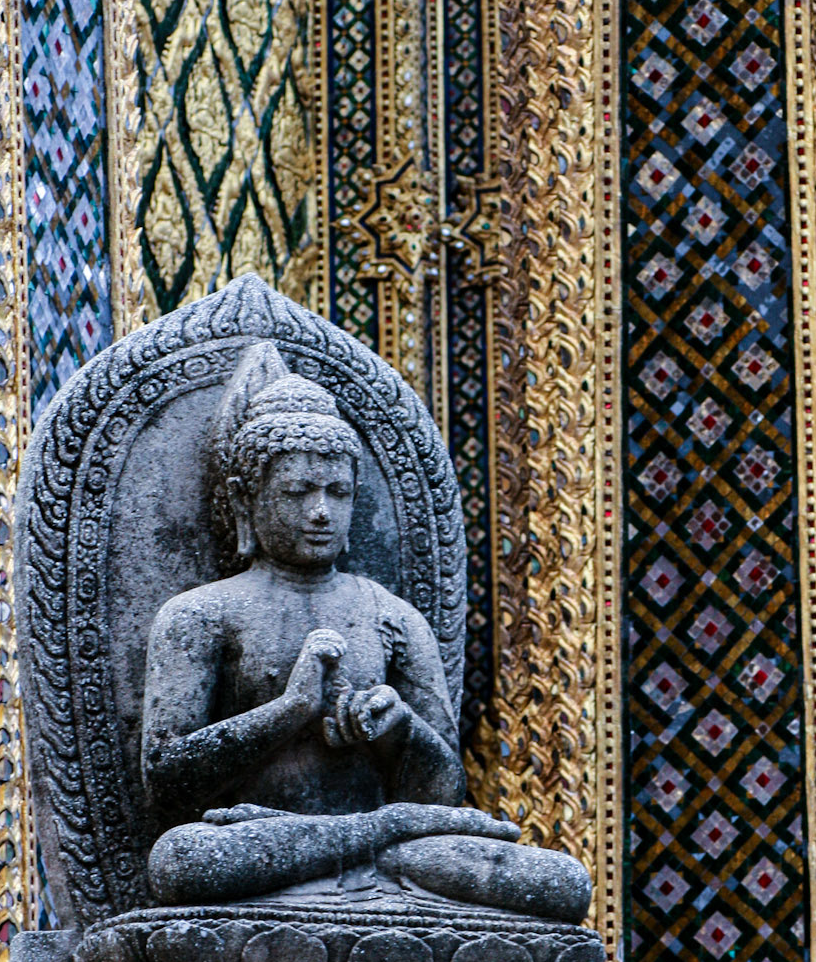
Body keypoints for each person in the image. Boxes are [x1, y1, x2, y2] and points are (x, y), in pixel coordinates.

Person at [140, 345, 590, 922]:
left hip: (393, 856)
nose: (322, 511)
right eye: (299, 492)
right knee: (181, 860)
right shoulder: (200, 614)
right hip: (259, 847)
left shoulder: (392, 617)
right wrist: (290, 711)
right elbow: (167, 781)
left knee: (560, 883)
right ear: (245, 498)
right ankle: (374, 839)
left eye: (339, 492)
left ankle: (369, 843)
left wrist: (400, 730)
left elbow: (442, 791)